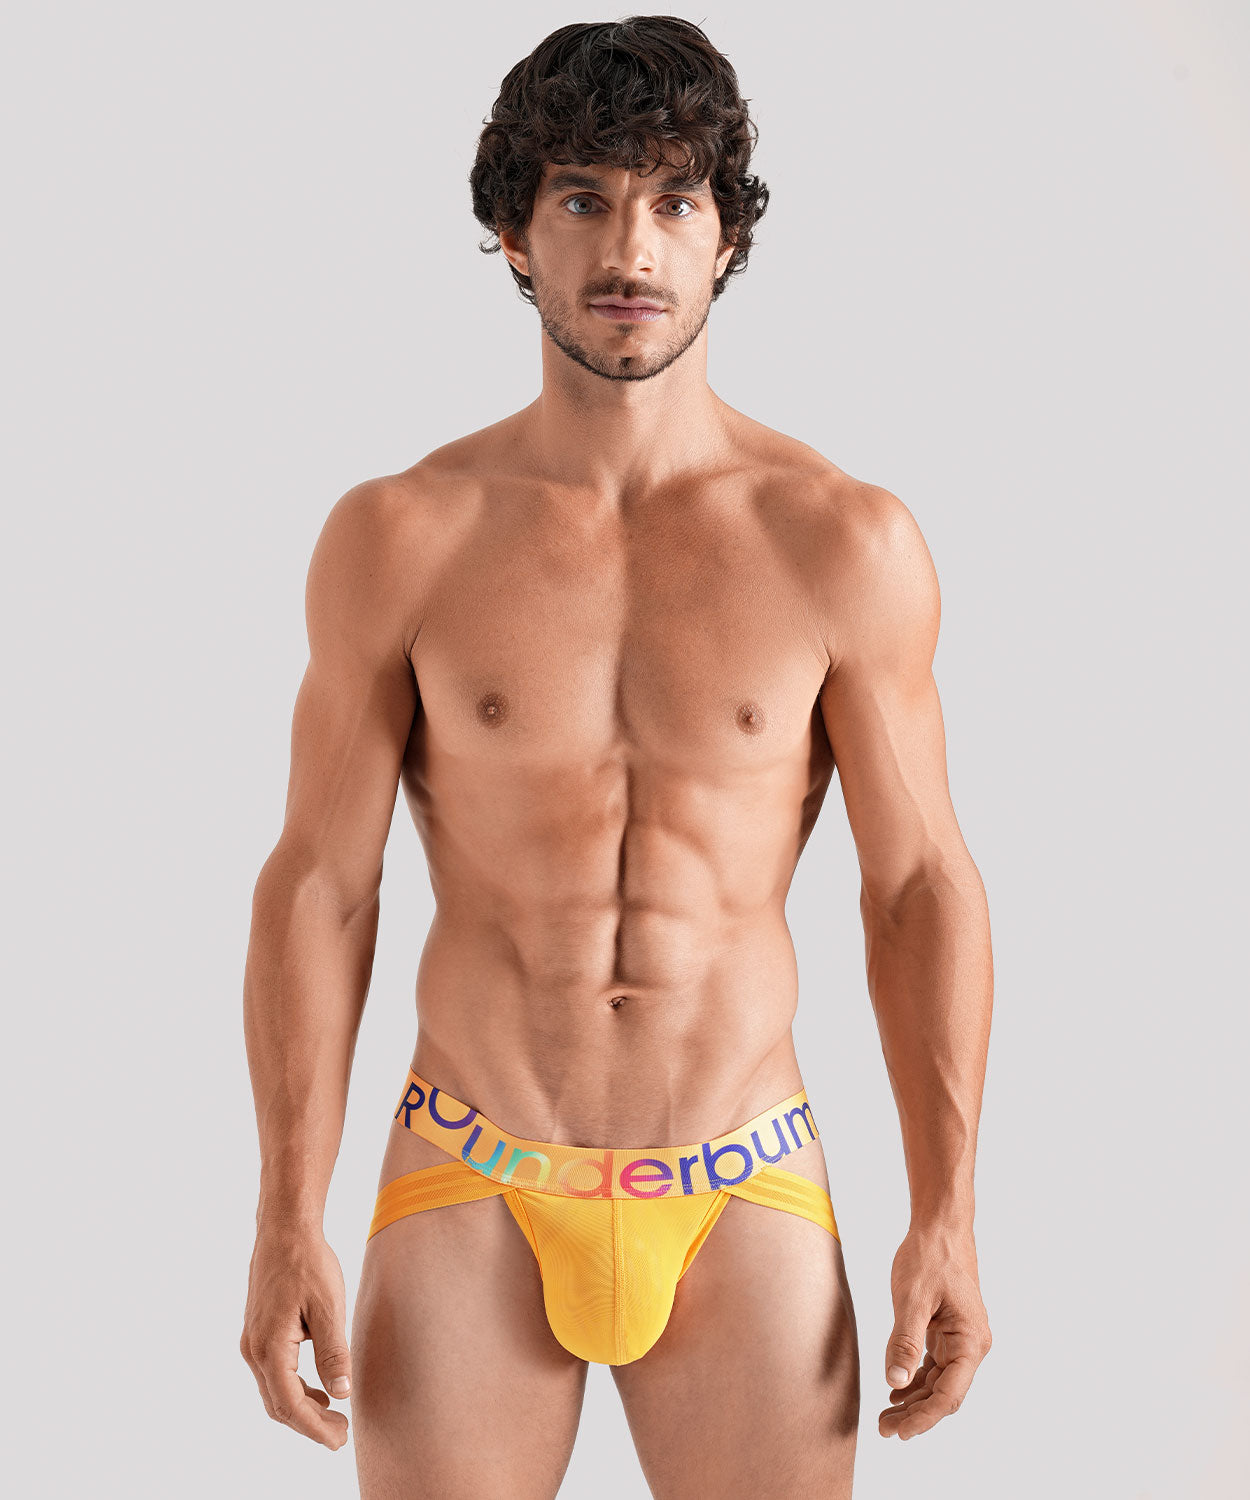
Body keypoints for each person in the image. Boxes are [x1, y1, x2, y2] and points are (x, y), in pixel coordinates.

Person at [239, 16, 993, 1498]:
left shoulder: (841, 541)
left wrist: (948, 1213)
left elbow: (917, 885)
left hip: (738, 1170)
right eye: (582, 197)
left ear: (727, 238)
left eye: (674, 199)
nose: (630, 248)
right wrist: (282, 1217)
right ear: (514, 235)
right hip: (472, 1163)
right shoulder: (402, 536)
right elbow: (322, 882)